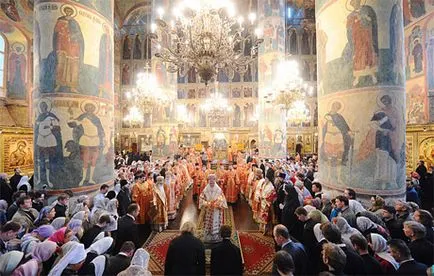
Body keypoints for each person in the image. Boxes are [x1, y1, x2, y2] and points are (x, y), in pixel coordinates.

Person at [199, 174, 228, 243]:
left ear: (215, 180)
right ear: (208, 180)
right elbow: (201, 198)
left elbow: (222, 198)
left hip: (216, 209)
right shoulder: (206, 189)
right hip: (208, 209)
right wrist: (207, 203)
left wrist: (217, 203)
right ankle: (208, 236)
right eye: (210, 180)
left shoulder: (218, 189)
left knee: (216, 222)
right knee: (208, 222)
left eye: (213, 180)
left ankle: (216, 236)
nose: (211, 181)